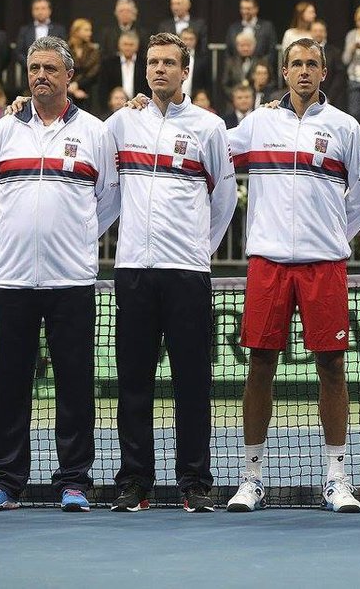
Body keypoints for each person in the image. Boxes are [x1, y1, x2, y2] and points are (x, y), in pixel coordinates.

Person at [225, 37, 360, 513]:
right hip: (267, 263)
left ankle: (337, 477)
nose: (305, 71)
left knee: (332, 366)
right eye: (297, 64)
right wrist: (147, 111)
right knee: (260, 366)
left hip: (324, 265)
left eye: (313, 64)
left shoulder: (346, 127)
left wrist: (334, 232)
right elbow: (211, 157)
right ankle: (251, 478)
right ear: (284, 72)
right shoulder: (257, 123)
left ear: (324, 72)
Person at [0, 36, 120, 512]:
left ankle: (74, 480)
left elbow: (110, 200)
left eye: (50, 69)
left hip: (72, 280)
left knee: (75, 385)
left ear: (68, 76)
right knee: (8, 382)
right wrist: (24, 228)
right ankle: (4, 482)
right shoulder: (3, 131)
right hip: (13, 280)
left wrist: (72, 235)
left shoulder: (96, 132)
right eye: (34, 68)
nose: (40, 76)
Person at [106, 32, 236, 513]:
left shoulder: (209, 127)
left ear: (186, 71)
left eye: (169, 63)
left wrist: (199, 250)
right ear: (145, 70)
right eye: (152, 62)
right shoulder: (121, 123)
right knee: (133, 381)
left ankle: (195, 482)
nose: (159, 69)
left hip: (187, 273)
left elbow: (224, 198)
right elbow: (101, 186)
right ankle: (134, 481)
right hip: (134, 271)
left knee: (193, 382)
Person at [14, 0, 68, 69]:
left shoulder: (59, 30)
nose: (40, 12)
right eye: (36, 9)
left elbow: (63, 51)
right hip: (29, 72)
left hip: (53, 72)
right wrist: (31, 65)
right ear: (32, 11)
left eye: (43, 8)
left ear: (49, 11)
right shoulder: (25, 30)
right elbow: (19, 52)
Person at [225, 0, 277, 69]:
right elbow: (228, 54)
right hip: (237, 74)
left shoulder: (267, 27)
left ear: (256, 9)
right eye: (242, 8)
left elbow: (271, 52)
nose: (244, 11)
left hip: (260, 73)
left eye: (248, 9)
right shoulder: (233, 28)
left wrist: (260, 68)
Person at [67, 19, 101, 113]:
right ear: (76, 31)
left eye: (90, 30)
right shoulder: (65, 49)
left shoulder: (93, 50)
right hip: (67, 90)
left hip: (88, 90)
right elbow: (62, 69)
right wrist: (71, 88)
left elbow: (93, 72)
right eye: (86, 30)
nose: (90, 33)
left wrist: (77, 84)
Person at [311, 20, 346, 106]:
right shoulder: (304, 52)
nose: (318, 33)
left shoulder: (335, 52)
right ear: (310, 33)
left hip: (331, 99)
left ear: (325, 33)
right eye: (315, 31)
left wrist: (329, 97)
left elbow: (339, 76)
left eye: (321, 31)